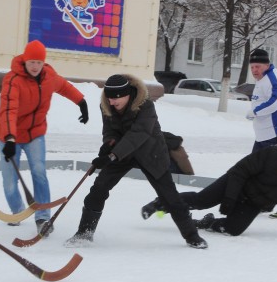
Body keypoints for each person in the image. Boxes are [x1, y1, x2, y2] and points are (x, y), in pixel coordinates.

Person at [65, 74, 207, 249]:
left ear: (128, 94)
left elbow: (137, 134)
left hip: (151, 154)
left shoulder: (145, 105)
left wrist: (112, 156)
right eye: (109, 97)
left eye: (116, 98)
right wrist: (107, 146)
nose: (112, 102)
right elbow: (109, 131)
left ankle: (192, 235)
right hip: (122, 154)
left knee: (169, 197)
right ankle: (84, 233)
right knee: (98, 188)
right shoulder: (107, 105)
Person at [142, 142, 277, 242]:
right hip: (235, 183)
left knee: (233, 230)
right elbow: (240, 171)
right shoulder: (272, 155)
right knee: (201, 200)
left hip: (254, 202)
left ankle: (208, 223)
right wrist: (229, 197)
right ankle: (159, 203)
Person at [0, 40, 88, 234]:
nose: (35, 66)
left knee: (39, 172)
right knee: (10, 180)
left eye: (39, 62)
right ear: (25, 60)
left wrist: (81, 102)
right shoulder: (13, 80)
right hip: (10, 136)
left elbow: (64, 86)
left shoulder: (49, 76)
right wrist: (9, 138)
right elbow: (8, 110)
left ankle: (43, 218)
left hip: (35, 133)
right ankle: (18, 211)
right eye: (31, 62)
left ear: (43, 62)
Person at [245, 48, 277, 219]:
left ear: (266, 65)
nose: (254, 70)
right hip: (263, 134)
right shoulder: (263, 79)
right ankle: (265, 203)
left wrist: (255, 112)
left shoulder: (273, 79)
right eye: (252, 67)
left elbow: (276, 102)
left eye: (257, 66)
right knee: (255, 169)